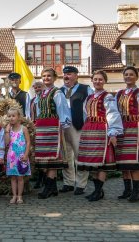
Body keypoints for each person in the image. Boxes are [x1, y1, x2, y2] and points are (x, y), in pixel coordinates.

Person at [77, 70, 123, 201]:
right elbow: (85, 114)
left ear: (105, 81)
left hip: (101, 130)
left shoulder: (107, 97)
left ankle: (98, 191)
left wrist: (113, 132)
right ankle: (97, 191)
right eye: (95, 79)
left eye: (100, 79)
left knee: (101, 163)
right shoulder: (89, 97)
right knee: (91, 162)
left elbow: (112, 114)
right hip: (89, 130)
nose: (98, 81)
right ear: (92, 81)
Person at [35, 68, 71, 199]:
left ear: (55, 78)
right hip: (42, 129)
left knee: (52, 158)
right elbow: (39, 111)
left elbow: (63, 110)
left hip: (53, 128)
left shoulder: (57, 93)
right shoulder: (41, 94)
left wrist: (62, 126)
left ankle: (48, 188)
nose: (46, 78)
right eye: (44, 76)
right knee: (45, 158)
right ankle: (53, 188)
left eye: (49, 76)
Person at [60, 66, 94, 195]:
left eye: (69, 74)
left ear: (76, 76)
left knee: (80, 156)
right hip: (64, 128)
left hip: (79, 127)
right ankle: (68, 182)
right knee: (66, 156)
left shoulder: (86, 89)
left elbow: (91, 107)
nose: (66, 76)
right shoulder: (59, 91)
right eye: (64, 74)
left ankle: (81, 184)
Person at [116, 66, 139, 202]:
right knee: (123, 161)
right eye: (126, 75)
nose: (128, 77)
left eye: (131, 74)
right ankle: (127, 189)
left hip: (135, 127)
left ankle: (136, 191)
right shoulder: (120, 93)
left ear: (136, 77)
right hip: (121, 128)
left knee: (133, 160)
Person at [5, 107, 31, 204]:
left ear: (19, 117)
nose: (11, 118)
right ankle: (14, 195)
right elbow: (7, 143)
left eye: (13, 116)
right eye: (9, 116)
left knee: (20, 177)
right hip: (12, 157)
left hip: (21, 157)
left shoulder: (23, 129)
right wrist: (7, 131)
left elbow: (28, 142)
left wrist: (26, 154)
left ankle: (20, 196)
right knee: (13, 177)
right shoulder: (9, 129)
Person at [30, 81, 46, 189]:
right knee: (36, 155)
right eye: (35, 87)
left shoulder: (46, 99)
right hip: (34, 128)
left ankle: (44, 178)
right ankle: (39, 178)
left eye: (39, 87)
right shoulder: (32, 101)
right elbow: (28, 115)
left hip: (45, 128)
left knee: (44, 155)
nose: (37, 89)